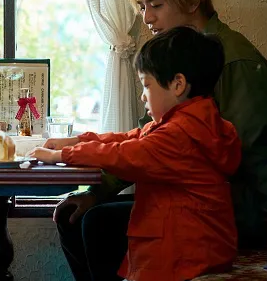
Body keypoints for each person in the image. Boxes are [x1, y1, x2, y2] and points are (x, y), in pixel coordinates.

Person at [50, 0, 267, 281]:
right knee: (78, 215)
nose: (147, 18)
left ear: (192, 1)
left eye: (156, 5)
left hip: (223, 211)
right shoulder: (175, 57)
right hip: (187, 197)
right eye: (141, 7)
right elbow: (152, 139)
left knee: (98, 223)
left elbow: (257, 159)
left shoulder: (234, 62)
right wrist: (97, 190)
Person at [30, 26, 242, 281]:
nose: (143, 96)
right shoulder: (194, 121)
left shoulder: (179, 134)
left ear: (178, 84)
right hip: (197, 243)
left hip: (184, 253)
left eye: (147, 85)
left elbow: (125, 154)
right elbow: (128, 138)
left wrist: (62, 157)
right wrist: (75, 141)